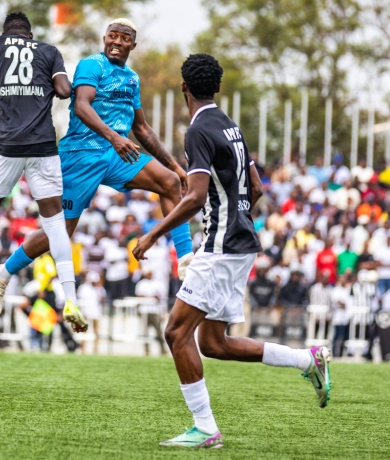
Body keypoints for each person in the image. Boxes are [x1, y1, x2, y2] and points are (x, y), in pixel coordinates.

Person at [133, 54, 330, 448]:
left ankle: (205, 429)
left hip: (221, 245)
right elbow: (255, 188)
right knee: (212, 343)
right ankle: (308, 360)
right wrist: (235, 219)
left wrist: (153, 235)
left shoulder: (198, 131)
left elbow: (194, 196)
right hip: (239, 242)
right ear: (217, 87)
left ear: (183, 87)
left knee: (175, 331)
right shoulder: (230, 126)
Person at [0, 19, 194, 320]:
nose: (117, 41)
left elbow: (142, 128)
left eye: (125, 38)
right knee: (59, 233)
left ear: (132, 45)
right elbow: (83, 106)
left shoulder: (132, 78)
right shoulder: (91, 65)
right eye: (113, 36)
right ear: (104, 38)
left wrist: (176, 166)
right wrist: (114, 137)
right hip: (81, 155)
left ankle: (186, 261)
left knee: (170, 182)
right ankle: (2, 273)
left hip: (116, 153)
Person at [0, 12, 83, 329]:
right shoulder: (49, 51)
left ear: (5, 31)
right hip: (42, 147)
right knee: (55, 225)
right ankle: (71, 299)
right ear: (31, 33)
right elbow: (65, 91)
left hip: (6, 146)